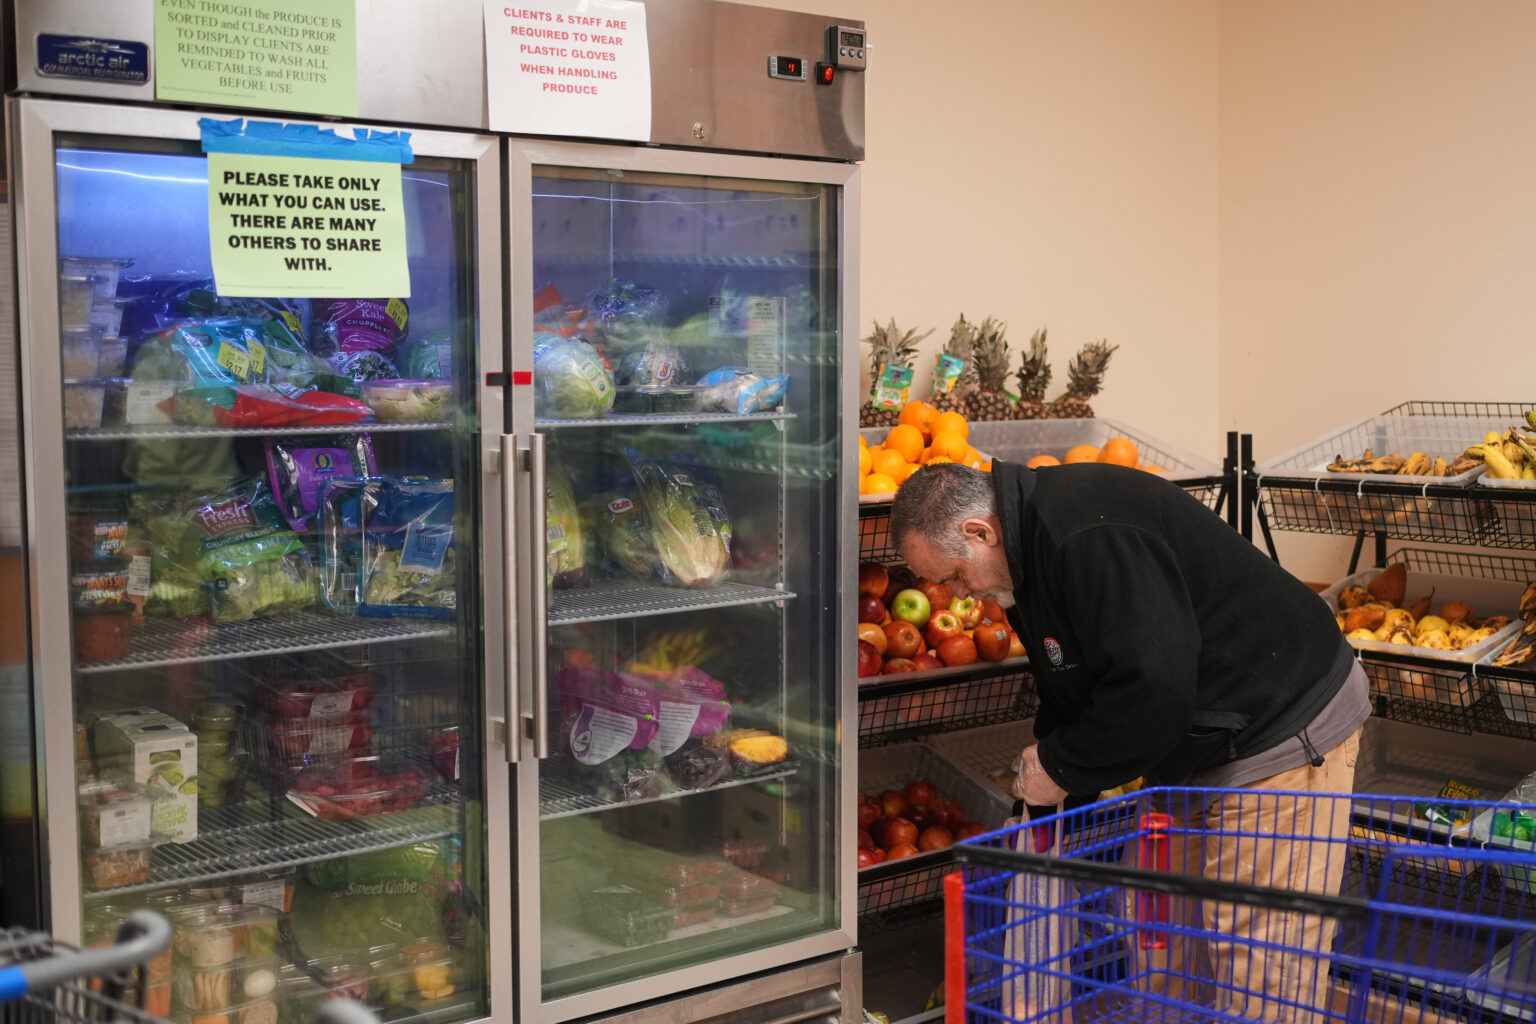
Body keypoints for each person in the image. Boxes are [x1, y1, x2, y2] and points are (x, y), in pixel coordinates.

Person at [890, 460, 1370, 1023]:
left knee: (1258, 960)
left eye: (951, 577)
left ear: (979, 532)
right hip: (1193, 738)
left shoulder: (1086, 535)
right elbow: (1075, 680)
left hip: (1279, 722)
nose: (958, 596)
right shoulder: (1024, 562)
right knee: (1166, 950)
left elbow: (1154, 690)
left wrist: (1064, 767)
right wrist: (1046, 800)